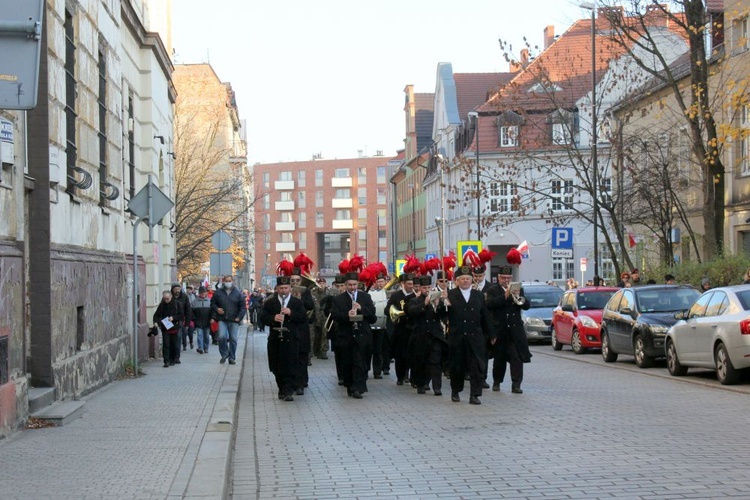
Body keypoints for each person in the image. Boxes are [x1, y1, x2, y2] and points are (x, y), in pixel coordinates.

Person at [439, 266, 495, 405]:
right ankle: (455, 391)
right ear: (457, 281)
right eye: (462, 279)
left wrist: (492, 333)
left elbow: (485, 316)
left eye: (468, 279)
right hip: (457, 337)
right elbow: (441, 315)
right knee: (457, 366)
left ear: (472, 280)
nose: (465, 281)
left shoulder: (479, 295)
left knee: (476, 366)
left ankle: (475, 394)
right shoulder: (450, 294)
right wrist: (442, 302)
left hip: (475, 337)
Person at [260, 276, 307, 401]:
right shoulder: (270, 302)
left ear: (290, 289)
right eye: (281, 288)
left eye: (286, 288)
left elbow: (303, 318)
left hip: (291, 338)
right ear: (277, 289)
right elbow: (263, 318)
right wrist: (273, 318)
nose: (284, 290)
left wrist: (291, 313)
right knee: (277, 365)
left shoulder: (297, 302)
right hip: (275, 338)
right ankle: (281, 388)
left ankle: (288, 391)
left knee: (290, 364)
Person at [331, 272, 377, 399]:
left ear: (358, 284)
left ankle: (358, 387)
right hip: (346, 336)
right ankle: (351, 386)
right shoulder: (338, 299)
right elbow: (335, 316)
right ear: (345, 285)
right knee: (348, 362)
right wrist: (347, 315)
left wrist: (362, 308)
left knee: (361, 362)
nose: (352, 287)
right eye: (350, 285)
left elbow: (373, 316)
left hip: (363, 335)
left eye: (355, 285)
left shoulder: (365, 297)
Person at [488, 265, 532, 394]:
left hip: (515, 331)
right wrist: (505, 296)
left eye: (508, 278)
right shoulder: (493, 290)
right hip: (500, 330)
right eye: (503, 278)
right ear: (499, 278)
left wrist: (519, 297)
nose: (506, 280)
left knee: (516, 358)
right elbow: (490, 304)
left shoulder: (518, 289)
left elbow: (526, 306)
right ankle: (497, 382)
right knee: (499, 359)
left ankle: (516, 384)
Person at [407, 275, 447, 395]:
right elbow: (412, 312)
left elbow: (444, 316)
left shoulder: (437, 299)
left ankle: (437, 387)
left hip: (435, 335)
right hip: (420, 335)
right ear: (420, 288)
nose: (427, 290)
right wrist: (424, 304)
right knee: (421, 360)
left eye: (429, 287)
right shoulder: (415, 300)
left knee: (435, 362)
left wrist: (439, 304)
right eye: (424, 287)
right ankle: (421, 384)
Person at [385, 273, 416, 385]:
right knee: (400, 354)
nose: (411, 286)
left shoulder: (415, 295)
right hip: (400, 328)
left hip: (412, 328)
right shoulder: (395, 296)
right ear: (402, 284)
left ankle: (409, 375)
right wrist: (394, 312)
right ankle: (400, 376)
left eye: (412, 284)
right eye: (409, 284)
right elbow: (387, 310)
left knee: (411, 354)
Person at [210, 275, 246, 365]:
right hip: (222, 319)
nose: (228, 282)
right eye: (226, 281)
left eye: (230, 280)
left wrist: (239, 317)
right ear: (223, 281)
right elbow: (212, 304)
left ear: (232, 281)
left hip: (234, 319)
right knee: (222, 336)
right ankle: (224, 354)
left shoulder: (238, 293)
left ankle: (232, 357)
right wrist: (217, 309)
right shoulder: (218, 292)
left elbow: (243, 307)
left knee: (233, 339)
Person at [321, 274, 346, 385]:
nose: (340, 288)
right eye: (338, 286)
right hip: (335, 328)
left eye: (342, 286)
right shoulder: (331, 297)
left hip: (347, 328)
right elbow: (326, 311)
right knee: (338, 353)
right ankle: (341, 375)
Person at [367, 273, 389, 379]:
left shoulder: (388, 293)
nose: (380, 284)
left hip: (382, 326)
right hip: (369, 325)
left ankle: (377, 371)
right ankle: (365, 369)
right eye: (378, 281)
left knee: (378, 349)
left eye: (382, 281)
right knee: (367, 349)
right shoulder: (368, 293)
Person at [153, 290, 180, 367]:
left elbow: (181, 315)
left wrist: (173, 318)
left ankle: (173, 359)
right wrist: (156, 322)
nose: (166, 300)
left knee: (174, 344)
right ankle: (166, 361)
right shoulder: (162, 305)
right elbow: (156, 315)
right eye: (165, 299)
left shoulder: (176, 304)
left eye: (167, 298)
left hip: (174, 327)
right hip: (165, 328)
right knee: (166, 344)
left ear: (171, 297)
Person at [171, 283, 192, 358]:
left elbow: (188, 310)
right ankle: (171, 356)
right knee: (170, 339)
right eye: (175, 289)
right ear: (172, 290)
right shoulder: (169, 297)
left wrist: (187, 323)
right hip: (169, 321)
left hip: (180, 320)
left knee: (178, 338)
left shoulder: (184, 297)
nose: (177, 291)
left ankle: (177, 357)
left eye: (178, 289)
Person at [311, 277, 330, 360]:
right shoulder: (313, 292)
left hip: (325, 316)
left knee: (325, 334)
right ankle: (315, 350)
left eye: (323, 283)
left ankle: (323, 352)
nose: (321, 285)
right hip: (315, 315)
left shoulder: (328, 293)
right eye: (320, 283)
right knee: (315, 334)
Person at [192, 286, 213, 354]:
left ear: (206, 293)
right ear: (199, 293)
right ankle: (200, 347)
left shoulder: (210, 301)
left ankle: (206, 348)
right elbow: (191, 311)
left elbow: (213, 311)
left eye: (204, 292)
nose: (203, 294)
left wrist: (212, 318)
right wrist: (194, 318)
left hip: (207, 321)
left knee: (206, 336)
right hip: (198, 321)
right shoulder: (194, 302)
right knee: (199, 335)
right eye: (201, 293)